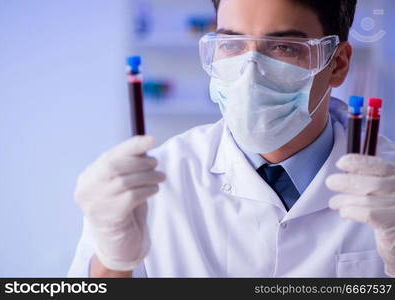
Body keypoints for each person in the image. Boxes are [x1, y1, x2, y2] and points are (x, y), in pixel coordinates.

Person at [68, 0, 395, 277]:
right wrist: (112, 262)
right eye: (231, 44)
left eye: (283, 47)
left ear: (337, 64)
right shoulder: (157, 179)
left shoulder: (388, 186)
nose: (249, 71)